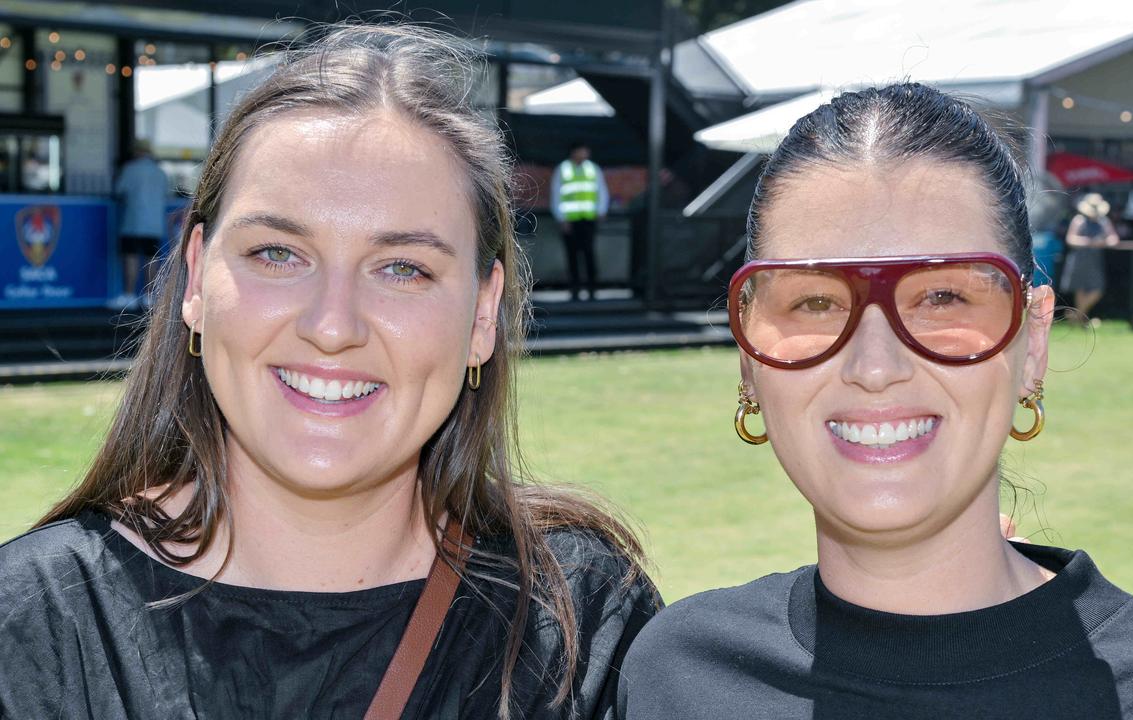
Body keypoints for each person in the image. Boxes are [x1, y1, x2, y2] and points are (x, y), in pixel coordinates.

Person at [0, 26, 657, 720]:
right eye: (278, 254)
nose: (333, 325)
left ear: (482, 313)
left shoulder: (581, 630)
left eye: (403, 268)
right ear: (195, 277)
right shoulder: (34, 627)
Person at [617, 84, 1133, 719]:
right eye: (813, 301)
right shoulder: (671, 677)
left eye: (944, 297)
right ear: (749, 357)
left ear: (1034, 340)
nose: (875, 367)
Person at [109, 139, 170, 310]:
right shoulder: (160, 173)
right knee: (152, 258)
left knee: (131, 257)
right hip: (154, 224)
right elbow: (167, 193)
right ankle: (149, 296)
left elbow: (118, 191)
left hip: (133, 221)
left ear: (136, 152)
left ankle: (129, 296)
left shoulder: (129, 170)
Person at [550, 140, 609, 300]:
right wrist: (561, 219)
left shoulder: (593, 169)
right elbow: (556, 195)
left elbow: (601, 191)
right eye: (582, 150)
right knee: (572, 255)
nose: (584, 154)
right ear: (574, 152)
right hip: (570, 221)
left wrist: (601, 211)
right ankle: (575, 289)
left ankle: (592, 289)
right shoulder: (563, 170)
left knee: (589, 254)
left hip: (588, 220)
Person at [1059, 191, 1119, 324]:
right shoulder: (1079, 220)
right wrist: (1089, 241)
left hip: (1095, 260)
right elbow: (1070, 239)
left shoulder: (1104, 222)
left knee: (1097, 289)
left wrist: (1103, 242)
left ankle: (1077, 315)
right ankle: (1082, 320)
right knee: (1080, 289)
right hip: (1079, 259)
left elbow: (1114, 239)